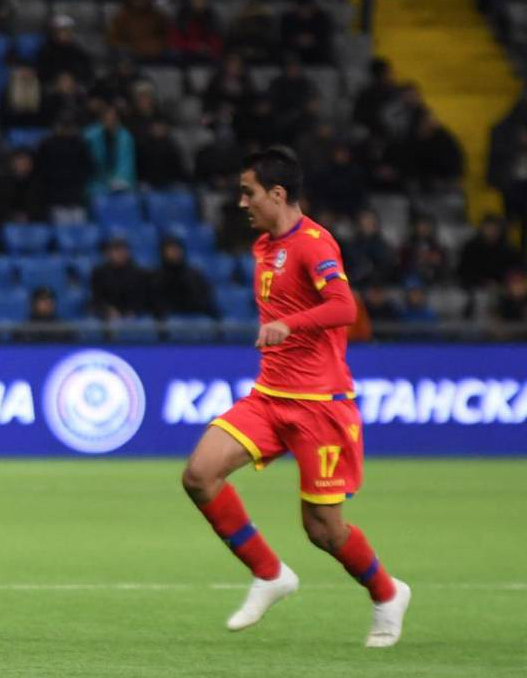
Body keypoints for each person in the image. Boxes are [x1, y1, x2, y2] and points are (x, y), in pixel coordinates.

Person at [181, 147, 410, 649]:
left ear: (277, 194)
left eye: (249, 192)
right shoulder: (264, 245)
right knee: (199, 474)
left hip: (319, 405)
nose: (242, 202)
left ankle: (387, 593)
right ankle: (270, 574)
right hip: (269, 396)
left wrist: (289, 324)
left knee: (323, 529)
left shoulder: (315, 244)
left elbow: (343, 306)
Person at [151, 236, 216, 318]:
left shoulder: (194, 275)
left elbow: (204, 298)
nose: (175, 252)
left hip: (194, 315)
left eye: (177, 249)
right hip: (170, 318)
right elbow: (157, 302)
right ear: (163, 252)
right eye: (171, 249)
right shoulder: (157, 277)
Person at [91, 237, 150, 320]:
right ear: (109, 253)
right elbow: (97, 297)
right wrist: (107, 309)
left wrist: (133, 310)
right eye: (116, 250)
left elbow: (142, 296)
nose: (120, 254)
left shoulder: (137, 273)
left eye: (123, 250)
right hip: (107, 314)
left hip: (133, 314)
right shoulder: (99, 273)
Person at [84, 108, 135, 193]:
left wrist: (120, 179)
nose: (110, 123)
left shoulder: (125, 138)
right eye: (107, 120)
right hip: (96, 180)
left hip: (119, 180)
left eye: (113, 120)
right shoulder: (90, 137)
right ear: (101, 121)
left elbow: (127, 163)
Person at [12, 287, 76, 342]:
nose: (47, 303)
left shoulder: (63, 329)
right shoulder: (23, 330)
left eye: (50, 300)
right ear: (34, 304)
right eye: (43, 300)